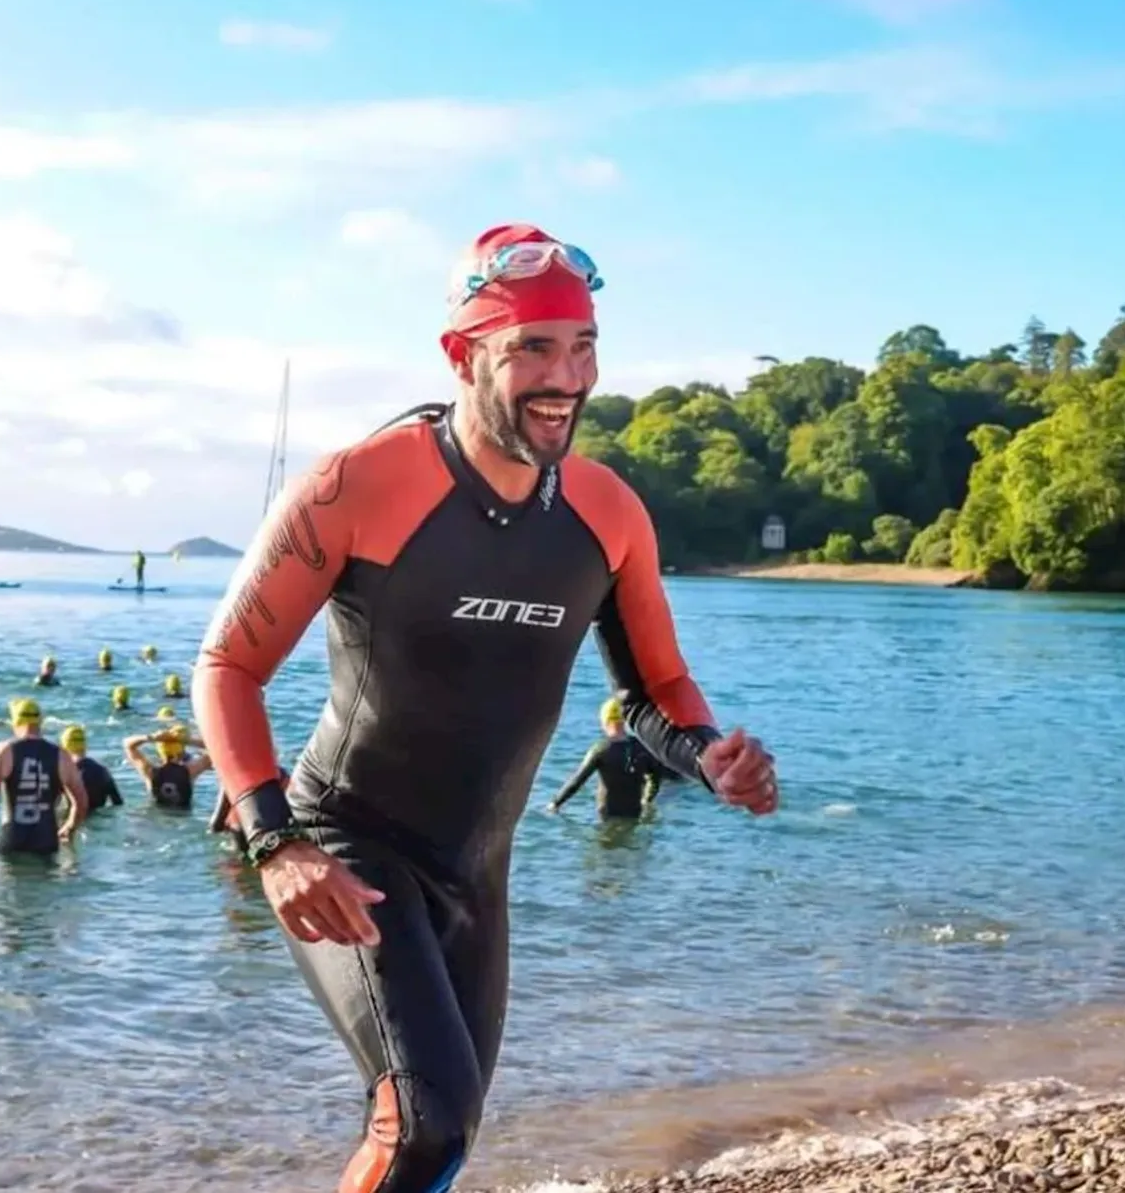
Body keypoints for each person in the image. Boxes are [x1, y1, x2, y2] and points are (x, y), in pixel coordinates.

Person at [190, 222, 778, 1193]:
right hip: (348, 845)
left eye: (583, 345)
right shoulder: (355, 487)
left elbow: (652, 694)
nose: (568, 376)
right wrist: (274, 841)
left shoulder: (607, 512)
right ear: (463, 355)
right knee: (422, 1123)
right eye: (534, 348)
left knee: (444, 1142)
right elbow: (230, 663)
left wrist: (706, 754)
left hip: (476, 872)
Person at [0, 700, 88, 856]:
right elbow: (81, 802)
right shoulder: (61, 755)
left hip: (13, 841)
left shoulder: (5, 750)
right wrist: (69, 828)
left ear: (16, 722)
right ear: (40, 722)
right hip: (47, 842)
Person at [546, 696, 681, 820]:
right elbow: (655, 777)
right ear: (624, 720)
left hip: (607, 814)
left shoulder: (601, 749)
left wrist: (555, 803)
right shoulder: (642, 747)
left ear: (605, 721)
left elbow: (577, 781)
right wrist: (647, 800)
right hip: (634, 813)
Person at [121, 725, 206, 810]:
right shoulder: (190, 771)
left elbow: (127, 744)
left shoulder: (150, 772)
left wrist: (151, 737)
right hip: (183, 818)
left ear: (160, 753)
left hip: (156, 819)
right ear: (181, 753)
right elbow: (215, 747)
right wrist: (187, 740)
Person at [60, 724, 124, 813]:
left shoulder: (65, 773)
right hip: (99, 821)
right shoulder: (102, 771)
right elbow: (118, 803)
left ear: (64, 746)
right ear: (85, 744)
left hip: (73, 821)